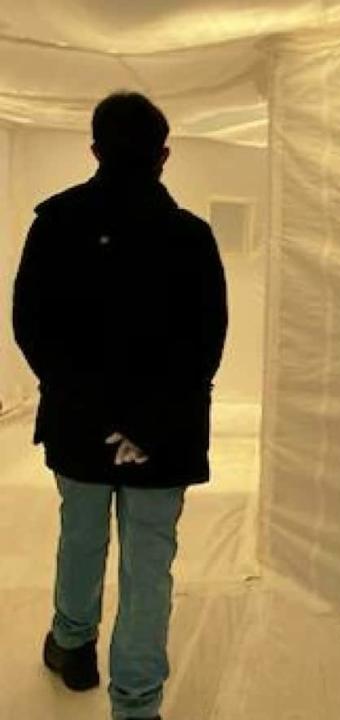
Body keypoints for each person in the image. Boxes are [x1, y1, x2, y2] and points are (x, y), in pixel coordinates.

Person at [12, 92, 228, 720]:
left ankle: (73, 646)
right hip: (164, 437)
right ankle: (135, 704)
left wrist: (100, 419)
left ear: (95, 150)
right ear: (164, 155)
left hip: (80, 427)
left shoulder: (54, 222)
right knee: (149, 561)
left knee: (79, 535)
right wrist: (140, 428)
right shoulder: (191, 237)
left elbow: (32, 328)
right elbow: (204, 344)